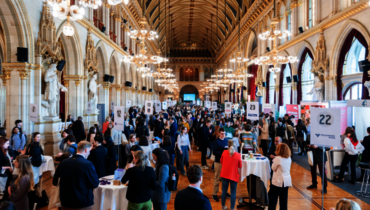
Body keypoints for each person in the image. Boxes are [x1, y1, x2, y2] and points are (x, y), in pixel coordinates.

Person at [53, 141, 99, 209]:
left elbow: (54, 182)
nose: (89, 153)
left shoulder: (63, 162)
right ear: (86, 150)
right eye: (89, 150)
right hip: (82, 202)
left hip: (65, 202)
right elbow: (95, 184)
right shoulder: (88, 164)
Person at [268, 143, 292, 210]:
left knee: (272, 198)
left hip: (278, 181)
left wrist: (273, 161)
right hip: (286, 181)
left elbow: (273, 168)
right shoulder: (289, 158)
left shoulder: (278, 158)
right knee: (283, 199)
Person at [220, 140, 242, 210]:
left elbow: (221, 162)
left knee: (224, 191)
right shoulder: (238, 155)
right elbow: (240, 166)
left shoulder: (224, 152)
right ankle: (232, 208)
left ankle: (223, 206)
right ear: (235, 146)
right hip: (233, 175)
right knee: (233, 192)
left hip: (224, 174)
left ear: (228, 146)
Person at [212, 128, 228, 202]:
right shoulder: (216, 141)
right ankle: (214, 193)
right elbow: (214, 152)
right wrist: (223, 152)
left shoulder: (226, 140)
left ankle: (224, 192)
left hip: (225, 162)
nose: (223, 135)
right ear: (219, 134)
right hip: (218, 162)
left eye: (224, 134)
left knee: (225, 178)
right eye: (222, 134)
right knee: (217, 178)